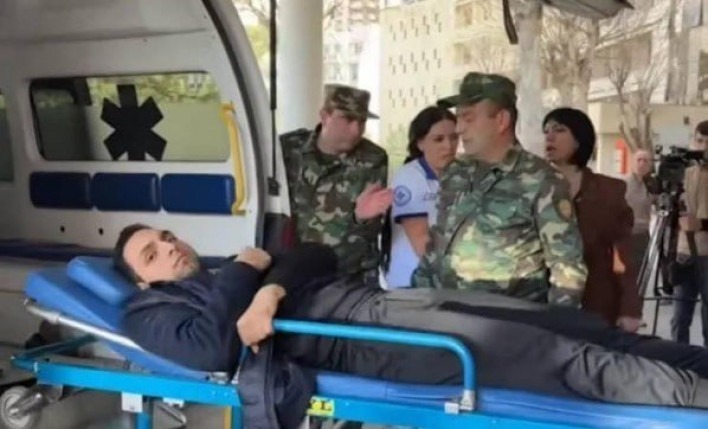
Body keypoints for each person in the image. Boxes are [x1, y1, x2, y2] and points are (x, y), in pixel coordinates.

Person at [117, 224, 708, 414]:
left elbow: (316, 254)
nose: (169, 247)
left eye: (166, 237)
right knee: (570, 362)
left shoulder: (231, 270)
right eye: (152, 253)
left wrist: (268, 288)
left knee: (574, 327)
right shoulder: (149, 312)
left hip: (391, 303)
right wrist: (247, 272)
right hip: (369, 343)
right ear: (143, 280)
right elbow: (212, 347)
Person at [412, 72, 587, 306]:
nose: (460, 129)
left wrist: (552, 325)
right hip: (445, 314)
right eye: (459, 119)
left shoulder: (541, 180)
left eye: (468, 118)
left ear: (501, 120)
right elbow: (437, 244)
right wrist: (418, 300)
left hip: (505, 321)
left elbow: (567, 269)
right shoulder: (455, 173)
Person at [280, 84, 391, 288]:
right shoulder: (287, 149)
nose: (356, 130)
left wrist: (360, 218)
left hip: (349, 275)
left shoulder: (372, 159)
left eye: (362, 121)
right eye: (347, 119)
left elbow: (370, 231)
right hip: (292, 272)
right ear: (325, 116)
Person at [543, 107, 642, 331]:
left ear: (580, 139)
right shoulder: (534, 187)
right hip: (546, 304)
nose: (549, 136)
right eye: (546, 131)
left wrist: (629, 308)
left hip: (597, 304)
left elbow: (622, 255)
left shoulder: (608, 191)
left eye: (559, 130)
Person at [385, 106, 458, 289]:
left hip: (445, 283)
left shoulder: (460, 175)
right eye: (438, 139)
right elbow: (422, 243)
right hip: (411, 284)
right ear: (420, 143)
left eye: (454, 137)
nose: (449, 146)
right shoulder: (409, 177)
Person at [672, 120, 708, 346]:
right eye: (700, 141)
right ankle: (679, 360)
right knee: (679, 317)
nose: (703, 147)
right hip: (684, 253)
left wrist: (701, 224)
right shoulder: (684, 174)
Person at [625, 149, 655, 281]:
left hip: (643, 235)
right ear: (632, 162)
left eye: (645, 161)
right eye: (639, 160)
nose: (642, 164)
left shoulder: (650, 185)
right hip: (626, 235)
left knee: (641, 275)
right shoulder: (624, 184)